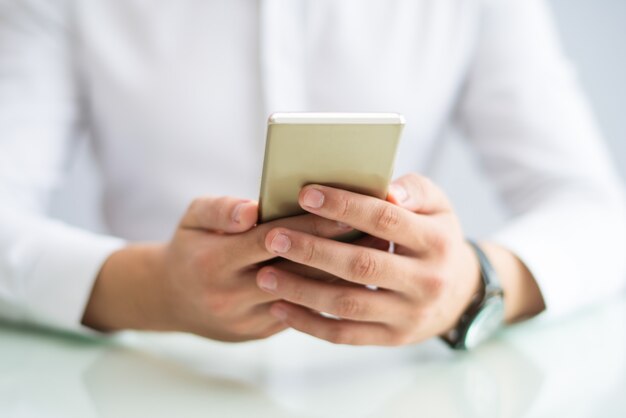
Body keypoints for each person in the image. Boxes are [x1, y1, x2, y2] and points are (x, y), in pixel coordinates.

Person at [0, 0, 624, 348]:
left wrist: (472, 285)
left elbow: (598, 213)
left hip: (393, 379)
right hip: (140, 364)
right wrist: (153, 290)